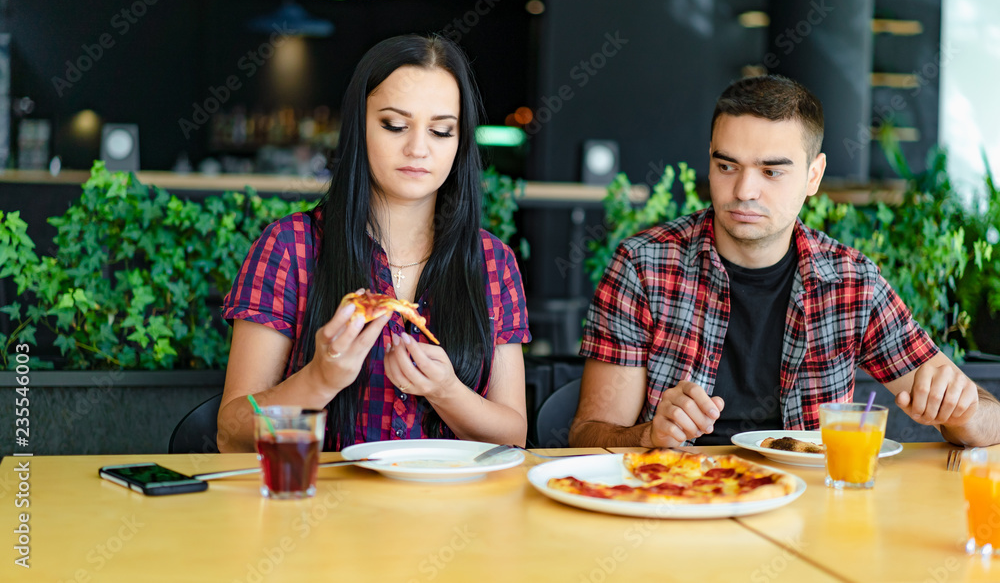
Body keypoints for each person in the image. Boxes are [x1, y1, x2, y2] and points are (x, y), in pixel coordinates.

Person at [569, 75, 1000, 449]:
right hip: (682, 500)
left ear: (814, 176)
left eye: (772, 171)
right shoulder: (645, 265)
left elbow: (988, 419)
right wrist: (647, 435)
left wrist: (961, 413)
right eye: (727, 166)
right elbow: (587, 436)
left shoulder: (850, 281)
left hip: (808, 507)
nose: (744, 191)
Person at [217, 34, 530, 452]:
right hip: (321, 510)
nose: (418, 148)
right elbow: (231, 432)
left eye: (440, 131)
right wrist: (320, 378)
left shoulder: (492, 261)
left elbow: (514, 437)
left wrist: (447, 392)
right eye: (395, 125)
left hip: (451, 513)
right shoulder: (291, 247)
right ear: (358, 127)